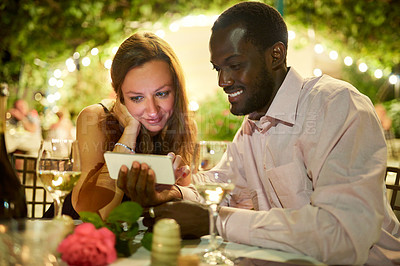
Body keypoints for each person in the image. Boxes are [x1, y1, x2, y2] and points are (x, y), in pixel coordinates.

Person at [136, 2, 400, 265]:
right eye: (218, 68)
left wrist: (215, 222)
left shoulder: (336, 106)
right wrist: (176, 193)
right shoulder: (253, 126)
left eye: (235, 65)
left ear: (276, 55)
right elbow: (222, 186)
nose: (222, 81)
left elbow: (340, 235)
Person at [70, 32, 199, 219]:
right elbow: (95, 213)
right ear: (119, 95)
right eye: (137, 98)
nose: (153, 111)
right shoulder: (96, 118)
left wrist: (176, 188)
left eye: (162, 94)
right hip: (83, 237)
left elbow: (193, 209)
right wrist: (130, 132)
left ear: (176, 90)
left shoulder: (185, 127)